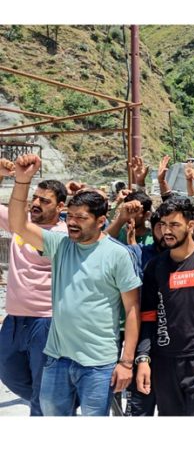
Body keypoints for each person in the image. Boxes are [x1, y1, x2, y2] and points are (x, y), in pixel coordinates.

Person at [8, 154, 141, 416]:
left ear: (100, 221)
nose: (71, 222)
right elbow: (18, 224)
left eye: (81, 218)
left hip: (98, 365)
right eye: (70, 216)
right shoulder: (59, 246)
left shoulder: (118, 254)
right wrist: (23, 181)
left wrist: (126, 362)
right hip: (56, 359)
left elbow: (132, 310)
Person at [135, 197, 194, 416]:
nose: (167, 231)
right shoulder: (155, 267)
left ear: (190, 225)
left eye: (174, 225)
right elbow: (149, 318)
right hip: (163, 362)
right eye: (163, 225)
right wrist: (143, 359)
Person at [0, 159, 67, 416]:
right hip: (15, 320)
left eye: (45, 200)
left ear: (61, 207)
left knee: (43, 391)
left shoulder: (61, 235)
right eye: (35, 198)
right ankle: (53, 400)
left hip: (46, 322)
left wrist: (21, 180)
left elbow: (22, 228)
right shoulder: (21, 221)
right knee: (8, 373)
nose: (36, 203)